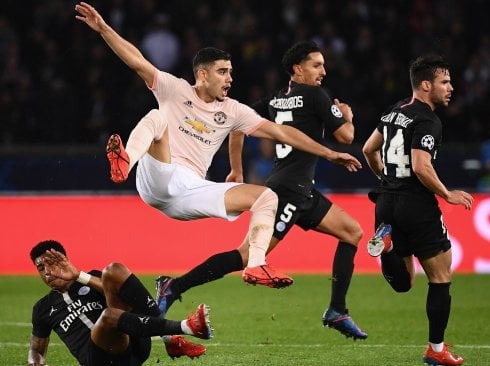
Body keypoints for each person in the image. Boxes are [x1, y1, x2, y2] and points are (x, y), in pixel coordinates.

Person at [74, 2, 361, 289]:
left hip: (189, 192)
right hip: (159, 175)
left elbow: (282, 133)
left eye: (231, 72)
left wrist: (329, 153)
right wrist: (103, 29)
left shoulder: (234, 111)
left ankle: (256, 264)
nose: (230, 79)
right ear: (202, 75)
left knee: (267, 198)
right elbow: (136, 61)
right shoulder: (175, 89)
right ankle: (126, 161)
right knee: (156, 117)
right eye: (223, 72)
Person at [153, 41, 367, 340]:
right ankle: (173, 287)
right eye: (316, 65)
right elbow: (345, 136)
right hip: (289, 193)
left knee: (352, 232)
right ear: (298, 69)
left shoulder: (276, 98)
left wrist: (236, 168)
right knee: (246, 256)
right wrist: (347, 116)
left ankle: (337, 310)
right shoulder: (318, 95)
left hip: (299, 189)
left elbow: (237, 127)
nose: (323, 71)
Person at [362, 54, 473, 365]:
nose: (451, 87)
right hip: (416, 204)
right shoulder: (428, 120)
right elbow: (422, 166)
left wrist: (386, 178)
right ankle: (436, 350)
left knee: (404, 283)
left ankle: (387, 248)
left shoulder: (394, 112)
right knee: (440, 275)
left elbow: (368, 149)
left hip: (385, 201)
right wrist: (447, 194)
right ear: (426, 85)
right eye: (444, 82)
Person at [27, 240, 212, 365]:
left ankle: (169, 340)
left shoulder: (91, 278)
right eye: (41, 268)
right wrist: (35, 362)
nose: (47, 272)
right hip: (99, 360)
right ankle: (186, 327)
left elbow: (116, 293)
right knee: (108, 316)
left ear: (65, 261)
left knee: (113, 270)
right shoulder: (43, 308)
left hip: (134, 345)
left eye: (52, 264)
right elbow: (36, 349)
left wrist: (79, 276)